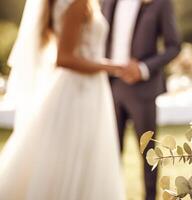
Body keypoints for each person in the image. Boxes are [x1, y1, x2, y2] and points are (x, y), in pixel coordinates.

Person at [0, 0, 125, 199]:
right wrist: (113, 67)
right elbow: (64, 58)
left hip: (91, 88)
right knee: (72, 152)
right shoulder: (77, 4)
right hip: (77, 91)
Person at [101, 0, 181, 199]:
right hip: (110, 86)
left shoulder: (160, 3)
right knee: (109, 153)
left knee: (148, 154)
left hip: (143, 88)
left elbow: (174, 46)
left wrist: (143, 68)